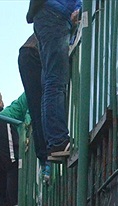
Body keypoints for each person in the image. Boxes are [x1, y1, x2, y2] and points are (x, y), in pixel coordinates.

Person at [28, 0, 81, 160]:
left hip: (46, 13)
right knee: (55, 81)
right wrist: (79, 7)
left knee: (50, 81)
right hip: (55, 14)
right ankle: (58, 140)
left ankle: (55, 142)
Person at [17, 32, 50, 181]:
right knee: (40, 107)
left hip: (29, 53)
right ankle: (45, 159)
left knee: (38, 108)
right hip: (33, 53)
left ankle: (44, 161)